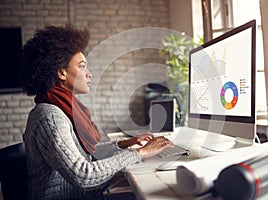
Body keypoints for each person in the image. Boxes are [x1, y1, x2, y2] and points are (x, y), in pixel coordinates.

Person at [21, 25, 174, 200]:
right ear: (61, 72)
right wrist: (140, 153)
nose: (89, 74)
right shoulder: (50, 116)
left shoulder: (59, 108)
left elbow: (85, 155)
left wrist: (125, 144)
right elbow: (83, 174)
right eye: (82, 66)